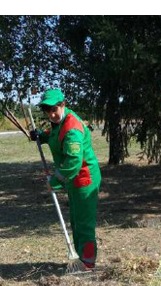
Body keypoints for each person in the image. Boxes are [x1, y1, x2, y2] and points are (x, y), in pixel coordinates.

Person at [30, 89, 101, 271]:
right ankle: (79, 257)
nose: (51, 114)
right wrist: (41, 135)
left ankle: (88, 263)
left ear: (63, 104)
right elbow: (55, 135)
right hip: (74, 180)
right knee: (76, 220)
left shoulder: (72, 129)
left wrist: (54, 181)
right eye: (47, 110)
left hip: (84, 179)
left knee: (84, 222)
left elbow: (73, 163)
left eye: (54, 109)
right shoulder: (60, 122)